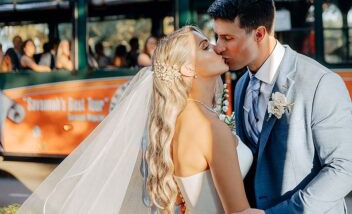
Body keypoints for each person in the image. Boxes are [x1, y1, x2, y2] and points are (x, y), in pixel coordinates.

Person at [17, 26, 262, 214]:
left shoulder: (183, 118)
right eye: (205, 47)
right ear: (188, 69)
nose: (219, 48)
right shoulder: (209, 127)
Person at [208, 0, 352, 214]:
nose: (218, 47)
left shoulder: (321, 83)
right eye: (217, 37)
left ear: (259, 34)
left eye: (227, 38)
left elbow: (344, 169)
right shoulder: (241, 85)